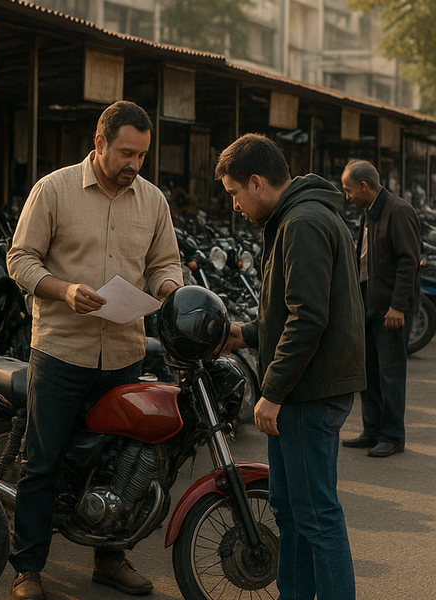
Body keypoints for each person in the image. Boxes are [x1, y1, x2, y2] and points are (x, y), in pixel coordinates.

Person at [5, 100, 183, 600]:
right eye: (126, 152)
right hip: (62, 350)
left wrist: (168, 288)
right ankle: (28, 569)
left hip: (125, 351)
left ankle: (110, 560)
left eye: (143, 156)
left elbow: (166, 262)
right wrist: (62, 290)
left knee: (119, 464)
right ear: (100, 142)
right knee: (44, 463)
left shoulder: (153, 201)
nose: (135, 164)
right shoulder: (53, 189)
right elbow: (19, 259)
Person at [216, 134, 365, 600]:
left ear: (256, 182)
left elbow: (309, 317)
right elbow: (293, 310)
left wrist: (273, 390)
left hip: (308, 392)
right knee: (291, 511)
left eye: (234, 193)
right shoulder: (299, 216)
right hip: (307, 388)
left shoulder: (301, 222)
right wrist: (249, 333)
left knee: (316, 517)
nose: (235, 205)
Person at [340, 160, 420, 457]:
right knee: (369, 371)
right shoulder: (368, 213)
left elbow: (408, 262)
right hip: (368, 303)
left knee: (390, 373)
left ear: (364, 186)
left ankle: (392, 435)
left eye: (349, 190)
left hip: (391, 308)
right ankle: (372, 430)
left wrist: (397, 307)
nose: (347, 196)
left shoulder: (398, 211)